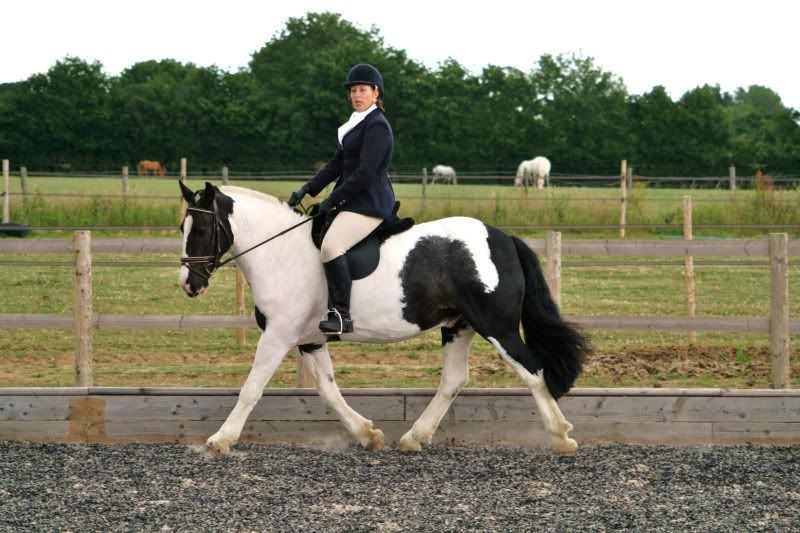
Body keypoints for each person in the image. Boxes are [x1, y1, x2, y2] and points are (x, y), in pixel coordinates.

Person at [287, 63, 396, 335]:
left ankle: (341, 316)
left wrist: (332, 200)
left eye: (363, 90)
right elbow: (335, 166)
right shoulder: (354, 125)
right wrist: (307, 190)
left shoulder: (377, 126)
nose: (357, 95)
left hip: (369, 203)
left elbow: (365, 174)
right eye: (353, 91)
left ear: (375, 93)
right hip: (353, 200)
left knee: (331, 247)